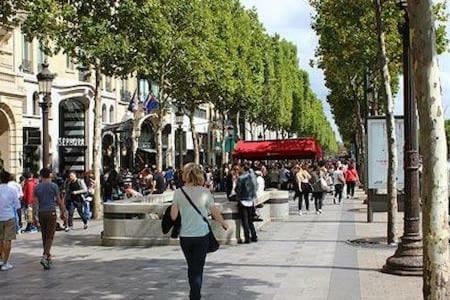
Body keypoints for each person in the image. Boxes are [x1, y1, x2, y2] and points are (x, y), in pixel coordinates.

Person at [170, 163, 228, 300]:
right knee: (198, 268)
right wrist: (223, 223)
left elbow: (173, 216)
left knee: (192, 266)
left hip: (185, 236)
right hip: (202, 235)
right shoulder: (205, 192)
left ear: (185, 175)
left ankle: (194, 294)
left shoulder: (178, 192)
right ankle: (195, 295)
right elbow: (214, 211)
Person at [33, 168, 66, 269]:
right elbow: (59, 200)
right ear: (50, 175)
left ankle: (48, 257)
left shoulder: (37, 187)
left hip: (41, 213)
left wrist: (34, 216)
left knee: (44, 235)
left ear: (41, 176)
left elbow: (35, 203)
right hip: (51, 212)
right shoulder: (54, 186)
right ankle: (45, 255)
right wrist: (63, 211)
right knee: (50, 236)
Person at [0, 170, 21, 271]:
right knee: (7, 240)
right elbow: (17, 205)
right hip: (9, 216)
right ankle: (5, 262)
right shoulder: (12, 189)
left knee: (0, 239)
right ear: (8, 179)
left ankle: (0, 259)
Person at [236, 163, 258, 243]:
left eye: (240, 168)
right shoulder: (252, 176)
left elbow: (238, 190)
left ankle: (247, 238)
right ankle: (254, 236)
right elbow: (256, 187)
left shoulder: (241, 178)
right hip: (251, 200)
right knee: (250, 220)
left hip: (243, 200)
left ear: (242, 168)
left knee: (245, 220)